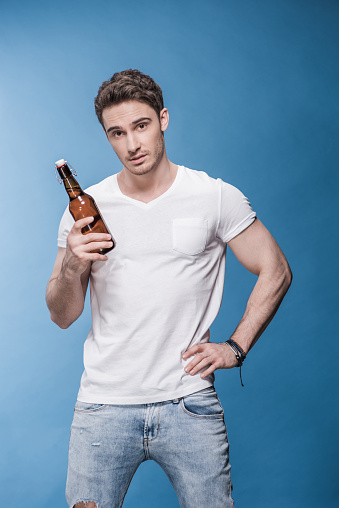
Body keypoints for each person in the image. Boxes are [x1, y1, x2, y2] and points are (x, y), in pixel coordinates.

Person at [46, 69, 292, 508]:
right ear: (107, 137)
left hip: (189, 405)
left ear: (162, 119)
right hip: (103, 407)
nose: (131, 144)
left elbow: (276, 270)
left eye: (140, 126)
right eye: (117, 133)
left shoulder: (214, 196)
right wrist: (72, 262)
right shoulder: (85, 209)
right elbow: (62, 315)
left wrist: (236, 347)